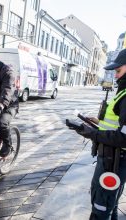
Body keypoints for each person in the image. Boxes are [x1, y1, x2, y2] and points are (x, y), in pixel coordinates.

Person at [73, 48, 126, 220]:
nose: (116, 76)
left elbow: (124, 137)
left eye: (118, 70)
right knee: (111, 205)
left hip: (114, 162)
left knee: (100, 209)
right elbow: (117, 125)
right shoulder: (123, 92)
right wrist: (97, 123)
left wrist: (92, 134)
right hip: (113, 159)